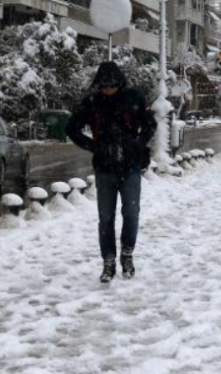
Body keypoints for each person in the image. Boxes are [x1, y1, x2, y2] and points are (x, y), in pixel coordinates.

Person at [66, 62, 156, 283]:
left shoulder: (134, 98)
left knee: (131, 213)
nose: (108, 90)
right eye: (104, 86)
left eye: (112, 86)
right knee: (105, 217)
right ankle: (108, 260)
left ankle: (127, 254)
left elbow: (150, 124)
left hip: (131, 166)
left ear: (119, 83)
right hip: (104, 167)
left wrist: (137, 143)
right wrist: (93, 146)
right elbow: (71, 128)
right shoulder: (92, 102)